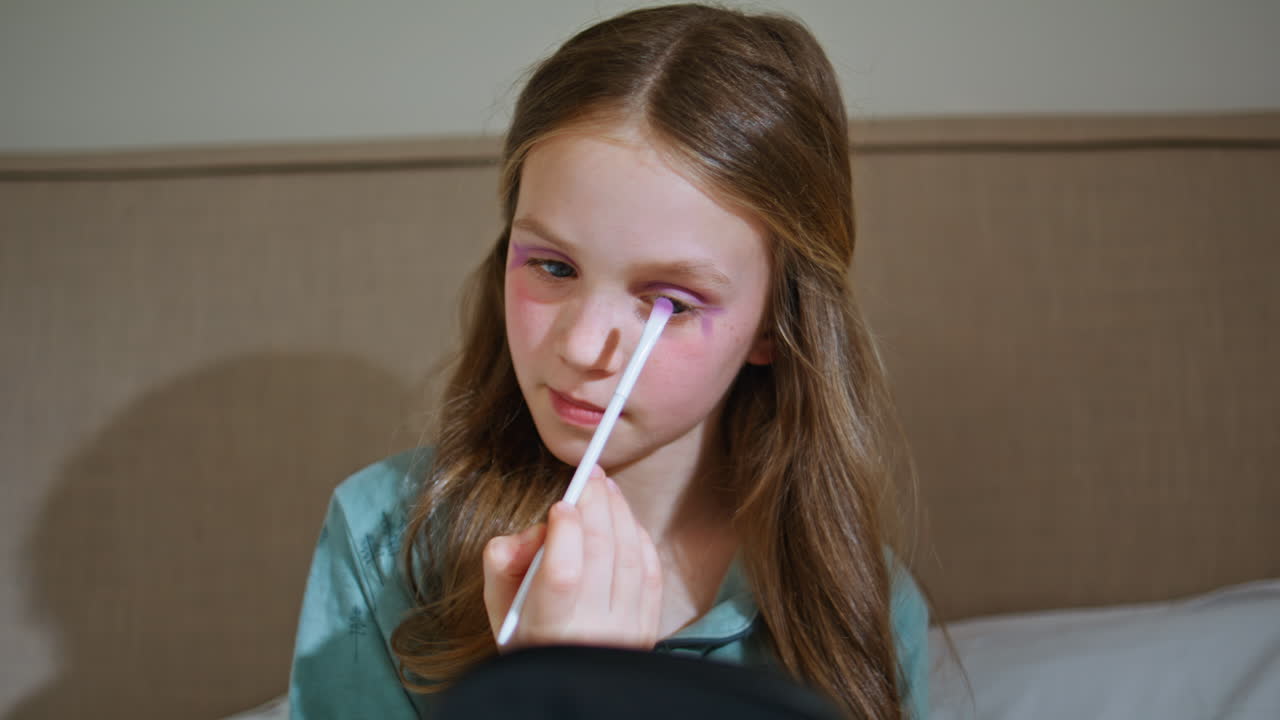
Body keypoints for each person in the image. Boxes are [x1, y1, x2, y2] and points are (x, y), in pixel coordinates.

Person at [289, 3, 930, 719]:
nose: (582, 347)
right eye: (554, 267)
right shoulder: (385, 544)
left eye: (672, 304)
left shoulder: (860, 605)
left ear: (775, 325)